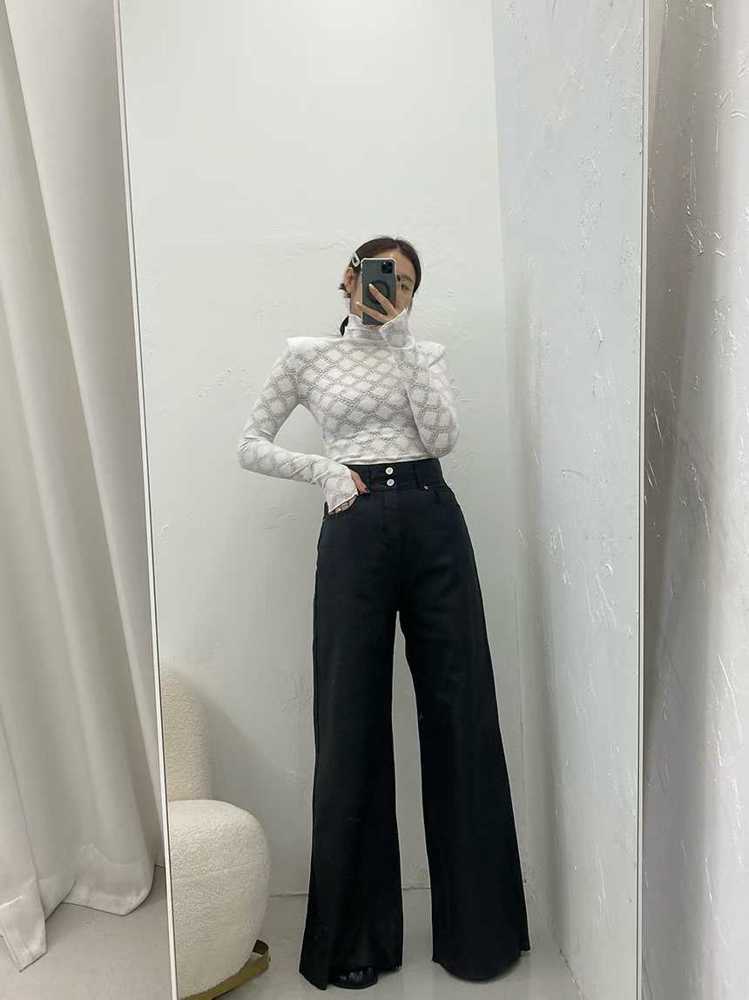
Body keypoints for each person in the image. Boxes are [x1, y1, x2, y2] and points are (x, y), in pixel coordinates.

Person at [237, 235, 530, 990]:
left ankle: (480, 937)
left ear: (411, 294)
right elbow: (251, 444)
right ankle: (355, 941)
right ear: (347, 276)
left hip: (433, 517)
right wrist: (325, 469)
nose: (387, 288)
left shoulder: (421, 353)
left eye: (403, 282)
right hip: (354, 524)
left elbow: (443, 438)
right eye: (378, 275)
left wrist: (404, 344)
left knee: (460, 706)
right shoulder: (306, 356)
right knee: (350, 715)